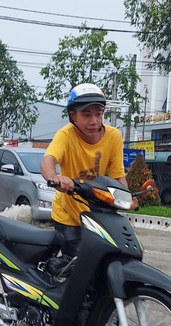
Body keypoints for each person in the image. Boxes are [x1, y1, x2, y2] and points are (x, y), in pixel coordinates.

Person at [40, 83, 132, 258]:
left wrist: (127, 197)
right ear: (73, 115)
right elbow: (48, 161)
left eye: (98, 114)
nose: (94, 121)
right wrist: (55, 178)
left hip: (99, 215)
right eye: (86, 114)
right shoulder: (65, 135)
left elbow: (118, 176)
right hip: (68, 216)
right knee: (77, 266)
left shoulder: (114, 136)